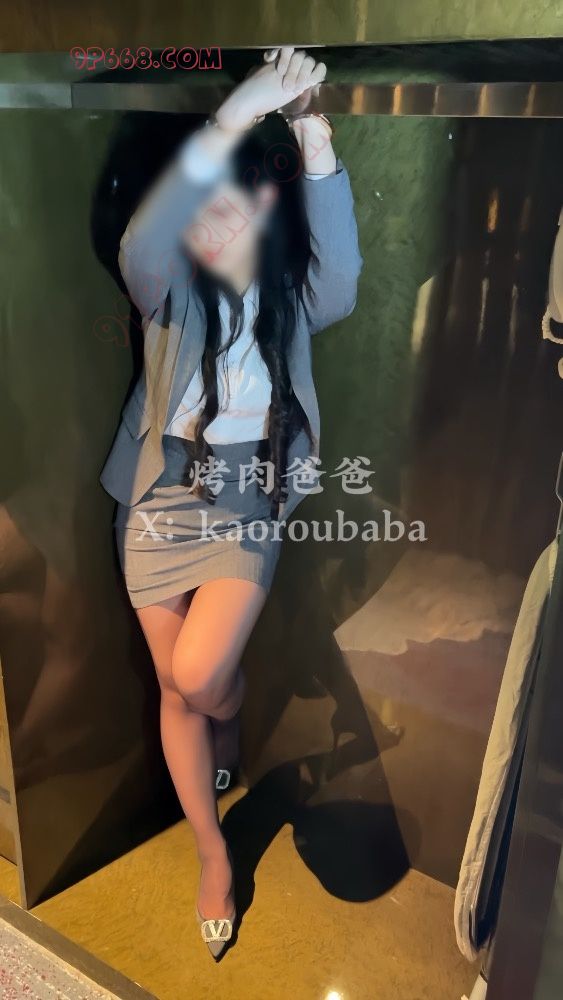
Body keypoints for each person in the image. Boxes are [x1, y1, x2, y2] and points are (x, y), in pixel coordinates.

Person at [99, 45, 363, 958]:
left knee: (202, 676)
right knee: (175, 686)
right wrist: (235, 113)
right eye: (206, 201)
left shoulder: (294, 297)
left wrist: (312, 133)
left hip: (248, 487)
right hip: (158, 491)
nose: (218, 218)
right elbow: (141, 243)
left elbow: (342, 282)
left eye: (238, 201)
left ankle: (231, 710)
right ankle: (212, 855)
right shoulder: (166, 288)